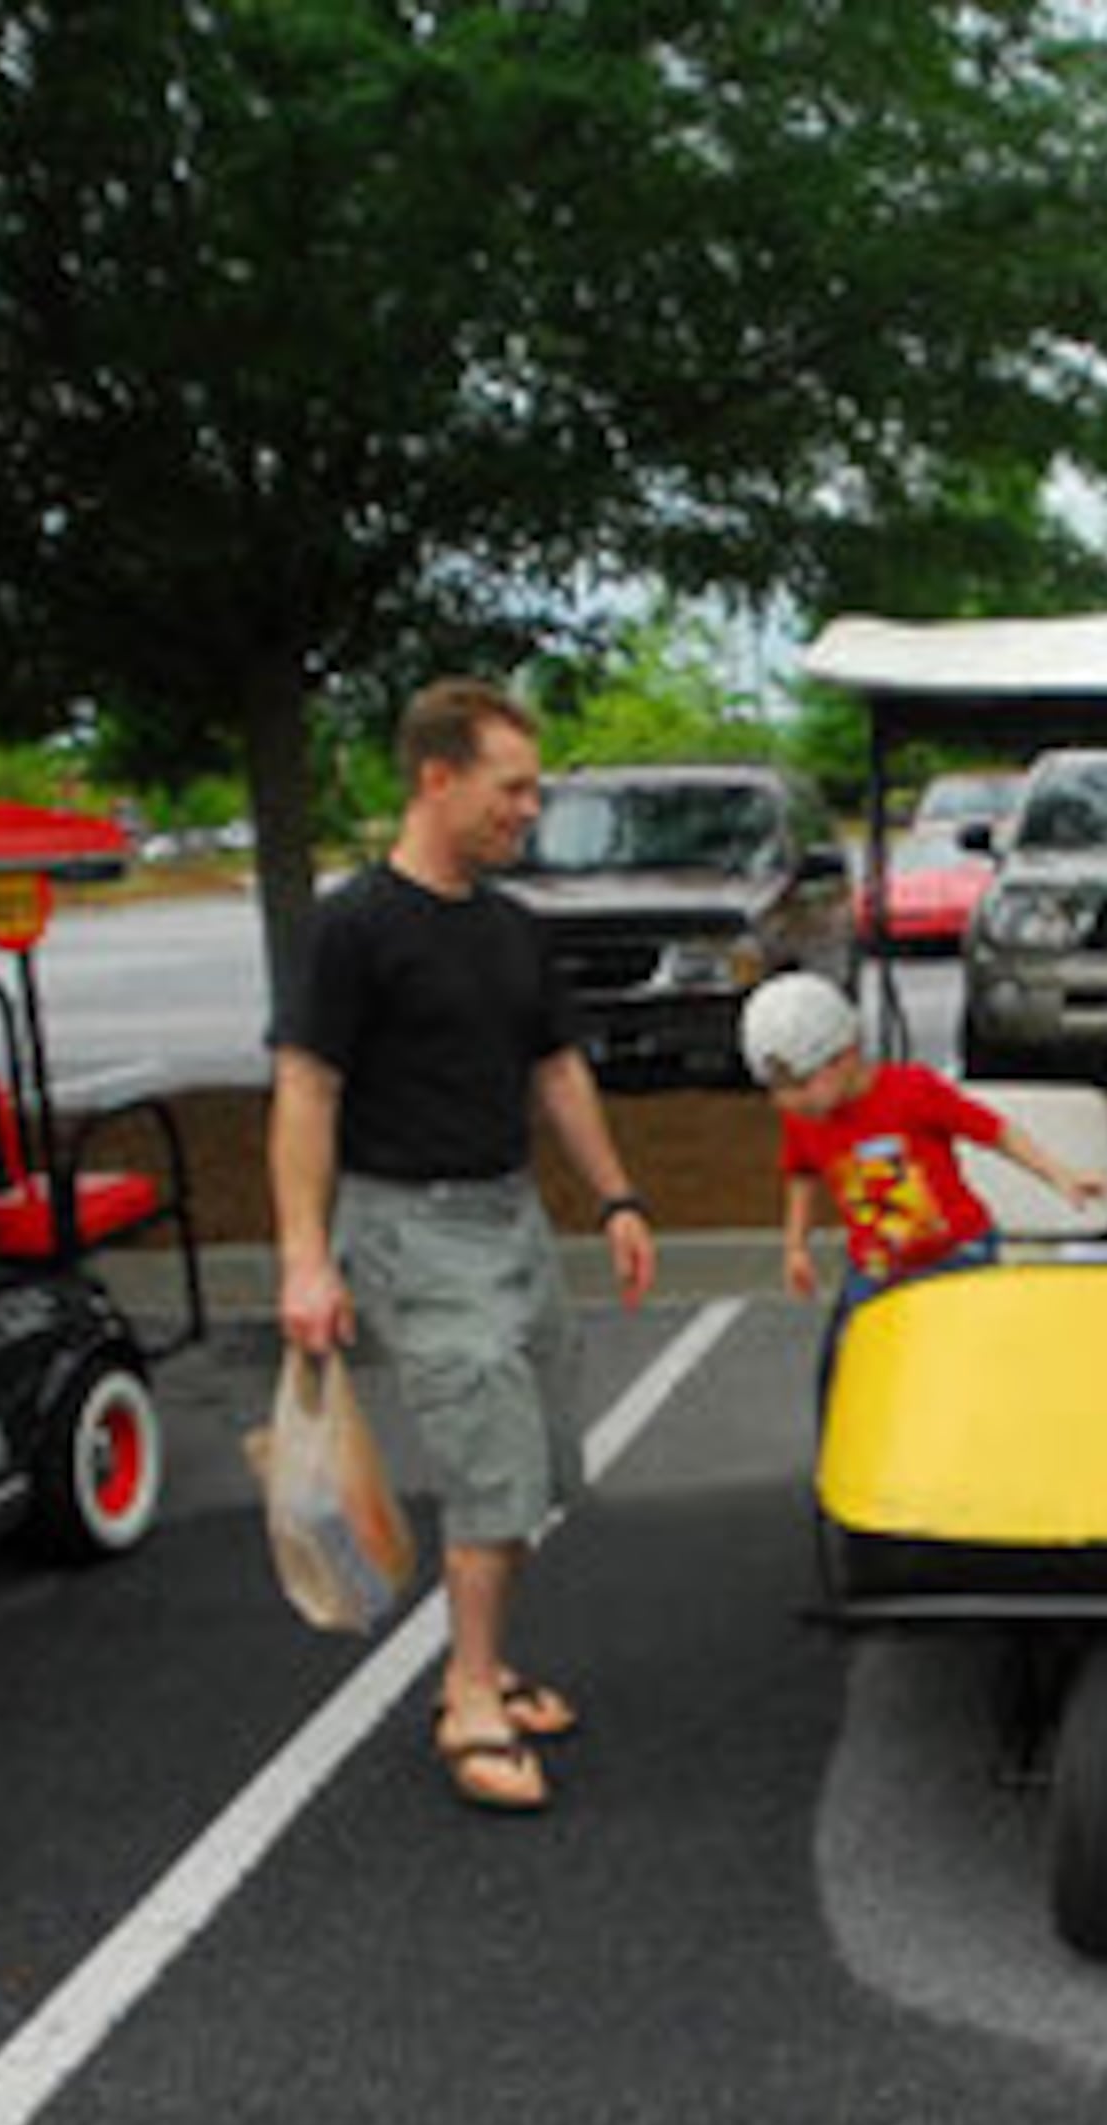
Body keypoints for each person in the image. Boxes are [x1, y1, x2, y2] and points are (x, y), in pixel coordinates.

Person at [270, 678, 657, 1816]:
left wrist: (619, 1198)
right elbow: (306, 1090)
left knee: (538, 1460)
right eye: (513, 786)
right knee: (491, 1458)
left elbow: (557, 1070)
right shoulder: (353, 927)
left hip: (511, 1217)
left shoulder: (509, 929)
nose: (529, 809)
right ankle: (471, 1693)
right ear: (437, 778)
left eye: (533, 788)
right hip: (408, 1225)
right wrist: (304, 1256)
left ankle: (481, 1658)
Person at [740, 969, 1107, 1329]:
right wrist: (796, 1246)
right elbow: (801, 1174)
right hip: (877, 1264)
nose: (787, 1100)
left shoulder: (913, 1092)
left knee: (968, 1348)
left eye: (801, 1084)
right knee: (846, 1354)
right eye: (776, 1089)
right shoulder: (804, 1118)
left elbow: (997, 1132)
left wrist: (1060, 1175)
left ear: (846, 1055)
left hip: (955, 1252)